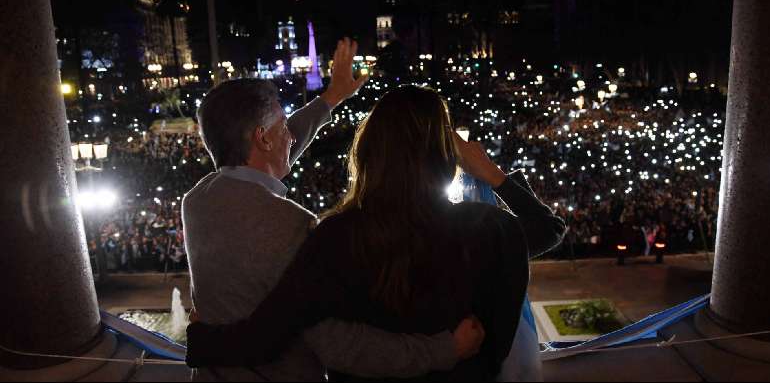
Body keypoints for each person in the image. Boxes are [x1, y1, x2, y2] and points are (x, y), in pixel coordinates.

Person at [186, 85, 566, 381]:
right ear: (445, 154)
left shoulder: (335, 236)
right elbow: (546, 230)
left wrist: (203, 341)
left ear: (369, 150)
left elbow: (273, 329)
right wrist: (492, 174)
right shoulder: (489, 230)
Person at [182, 39, 484, 382]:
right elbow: (339, 345)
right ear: (263, 139)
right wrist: (446, 350)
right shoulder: (291, 225)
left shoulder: (197, 202)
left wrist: (331, 98)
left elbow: (261, 157)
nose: (291, 137)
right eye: (283, 126)